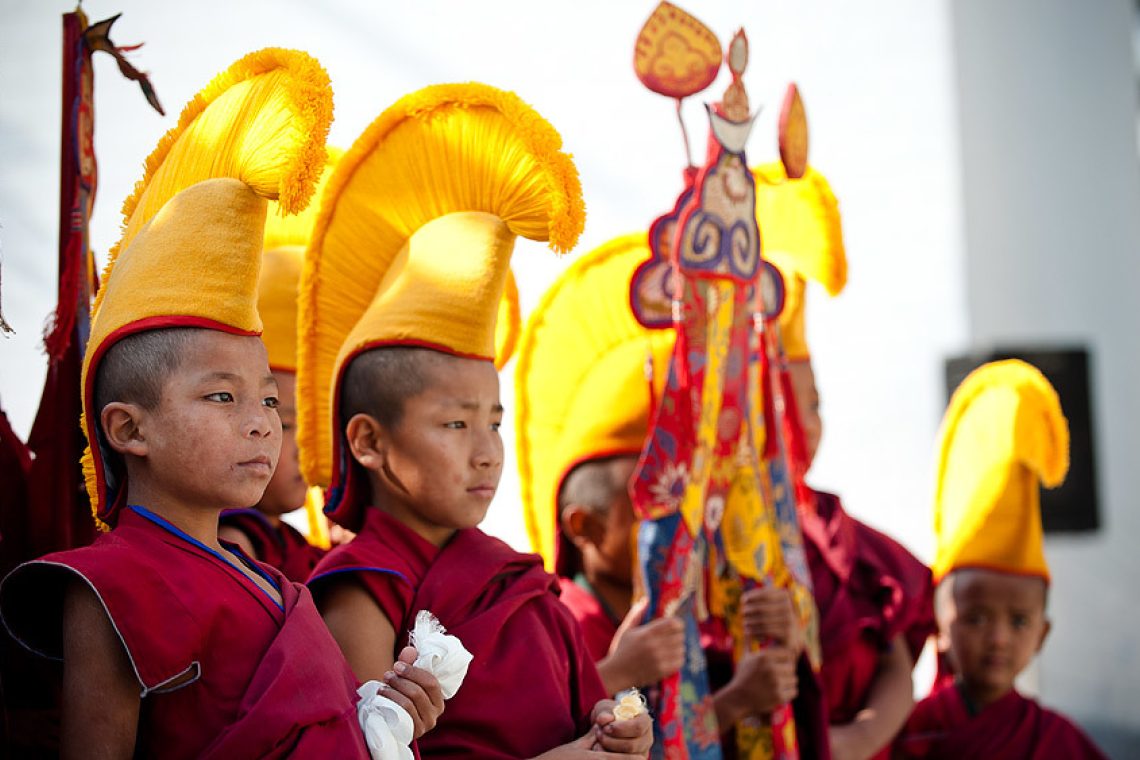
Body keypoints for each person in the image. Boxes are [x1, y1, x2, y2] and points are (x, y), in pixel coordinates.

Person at [0, 50, 373, 758]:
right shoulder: (108, 587)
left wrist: (386, 720)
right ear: (128, 428)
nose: (262, 420)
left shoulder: (271, 582)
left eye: (268, 398)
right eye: (223, 396)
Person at [298, 83, 653, 759]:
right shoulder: (359, 591)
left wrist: (619, 734)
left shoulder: (521, 583)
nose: (488, 453)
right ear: (369, 441)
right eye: (455, 426)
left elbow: (581, 722)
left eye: (493, 422)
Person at [515, 231, 805, 742]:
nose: (682, 522)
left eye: (687, 498)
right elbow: (539, 734)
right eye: (657, 504)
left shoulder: (695, 614)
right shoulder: (560, 624)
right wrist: (624, 672)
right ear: (584, 526)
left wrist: (786, 637)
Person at [747, 162, 936, 760]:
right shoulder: (710, 543)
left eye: (815, 402)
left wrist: (854, 741)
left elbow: (897, 668)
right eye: (777, 404)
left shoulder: (852, 546)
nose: (803, 423)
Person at [893, 360, 1106, 759]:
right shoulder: (910, 734)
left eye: (1019, 621)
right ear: (939, 624)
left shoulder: (1060, 742)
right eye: (975, 618)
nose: (998, 638)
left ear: (1042, 634)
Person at [218, 152, 342, 582]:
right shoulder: (234, 542)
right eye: (286, 423)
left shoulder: (300, 549)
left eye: (313, 431)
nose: (304, 450)